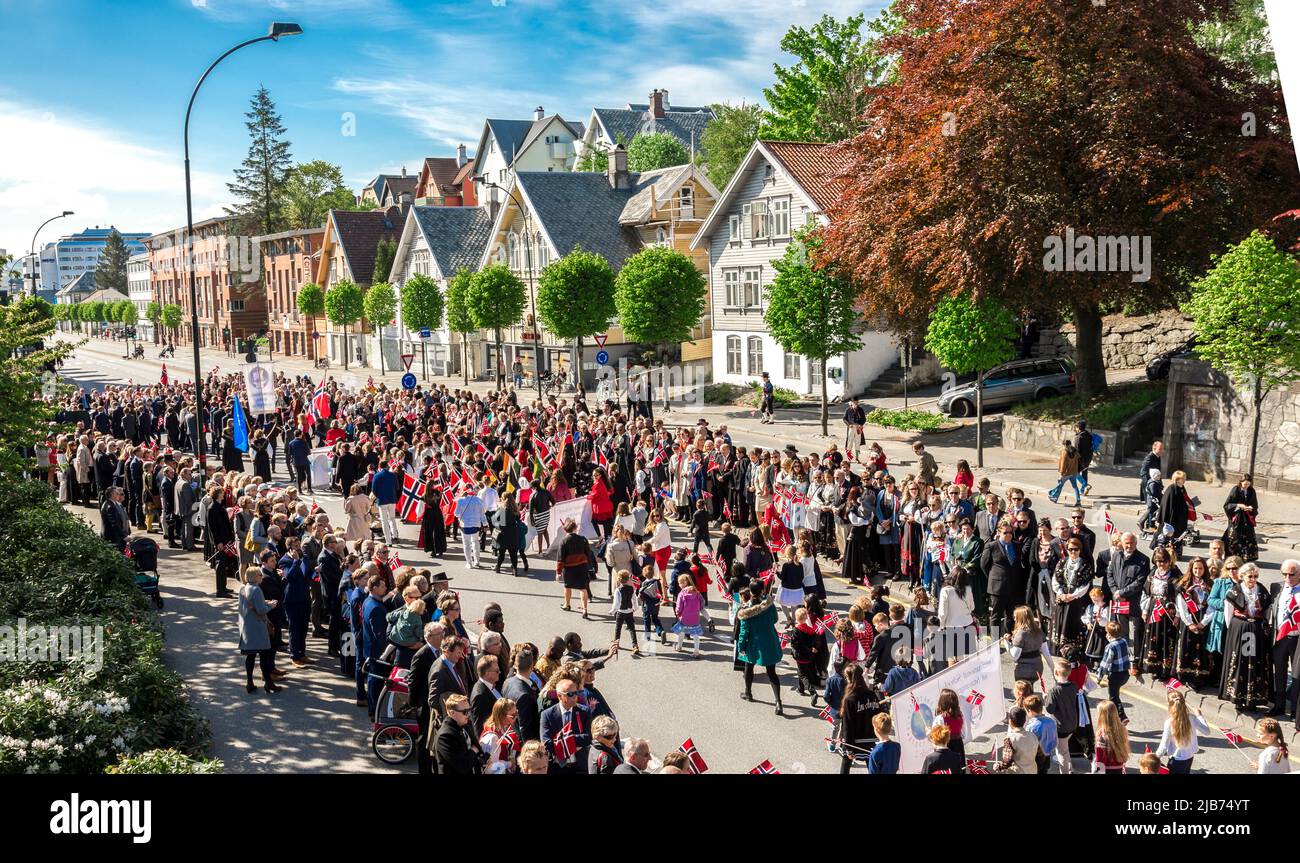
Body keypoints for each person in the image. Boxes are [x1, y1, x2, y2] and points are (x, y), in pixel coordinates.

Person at [1219, 562, 1273, 710]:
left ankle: (1253, 699)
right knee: (1241, 661)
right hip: (1241, 629)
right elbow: (1228, 616)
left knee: (1255, 662)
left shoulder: (1261, 590)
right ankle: (1238, 698)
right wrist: (1237, 630)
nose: (1253, 579)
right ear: (1242, 576)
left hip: (1256, 630)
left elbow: (1267, 611)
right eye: (1250, 576)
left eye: (1255, 576)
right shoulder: (1234, 592)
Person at [737, 578, 784, 714]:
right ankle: (778, 702)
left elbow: (744, 632)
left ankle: (748, 692)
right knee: (772, 673)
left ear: (750, 592)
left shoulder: (746, 610)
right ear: (762, 590)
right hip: (769, 640)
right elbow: (775, 619)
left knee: (748, 667)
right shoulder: (768, 604)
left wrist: (741, 647)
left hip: (754, 642)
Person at [238, 567, 280, 694]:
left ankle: (249, 682)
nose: (262, 576)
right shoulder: (257, 589)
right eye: (260, 575)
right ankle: (268, 683)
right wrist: (271, 605)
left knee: (250, 657)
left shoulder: (243, 588)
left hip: (246, 628)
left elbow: (248, 605)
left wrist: (264, 602)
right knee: (264, 656)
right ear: (255, 577)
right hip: (258, 628)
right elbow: (261, 610)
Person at [1267, 559, 1300, 719]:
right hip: (1279, 636)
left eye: (1292, 574)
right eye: (1284, 574)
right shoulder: (1276, 587)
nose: (1288, 577)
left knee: (1297, 674)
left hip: (1297, 639)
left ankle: (1295, 709)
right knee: (1279, 672)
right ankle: (1279, 705)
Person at [540, 678, 592, 774]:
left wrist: (563, 741)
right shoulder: (547, 715)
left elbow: (589, 737)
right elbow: (546, 743)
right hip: (557, 767)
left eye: (576, 692)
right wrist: (574, 744)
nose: (575, 697)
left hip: (580, 765)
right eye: (570, 694)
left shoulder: (584, 712)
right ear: (559, 696)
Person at [1154, 690, 1209, 774]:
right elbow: (1206, 731)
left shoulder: (1169, 723)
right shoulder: (1192, 718)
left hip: (1177, 759)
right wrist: (1199, 715)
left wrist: (1154, 758)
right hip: (1189, 757)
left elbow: (1164, 746)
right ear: (1184, 703)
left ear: (1169, 705)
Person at [435, 693, 484, 775]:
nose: (468, 715)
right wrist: (473, 750)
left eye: (469, 710)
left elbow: (476, 748)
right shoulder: (445, 736)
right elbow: (462, 766)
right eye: (465, 712)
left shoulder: (464, 724)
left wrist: (483, 759)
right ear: (452, 713)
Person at [556, 519, 596, 618]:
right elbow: (588, 553)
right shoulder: (583, 539)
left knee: (567, 587)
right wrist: (590, 566)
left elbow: (560, 559)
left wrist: (558, 572)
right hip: (582, 567)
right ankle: (585, 609)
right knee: (583, 588)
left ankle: (567, 604)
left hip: (569, 569)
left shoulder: (563, 541)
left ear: (565, 530)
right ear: (575, 528)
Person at [1097, 620, 1131, 722]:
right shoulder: (1124, 641)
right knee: (1115, 694)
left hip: (1115, 675)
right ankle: (1116, 717)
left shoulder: (1110, 647)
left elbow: (1105, 664)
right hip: (1125, 674)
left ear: (1109, 635)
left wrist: (1099, 677)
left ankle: (1122, 717)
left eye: (1107, 632)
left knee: (1113, 697)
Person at [993, 705, 1043, 774]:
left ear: (1010, 721)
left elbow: (1007, 761)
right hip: (1032, 770)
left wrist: (998, 767)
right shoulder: (1033, 736)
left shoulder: (1009, 739)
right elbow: (1040, 756)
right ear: (1024, 720)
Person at [1222, 475, 1259, 562]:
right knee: (1235, 536)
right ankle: (1232, 557)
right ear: (1241, 482)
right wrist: (1238, 505)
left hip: (1247, 517)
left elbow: (1255, 504)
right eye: (1245, 484)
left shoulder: (1251, 490)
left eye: (1248, 484)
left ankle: (1246, 557)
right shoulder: (1235, 489)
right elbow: (1227, 505)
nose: (1246, 486)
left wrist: (1251, 508)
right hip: (1237, 517)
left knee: (1248, 536)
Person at [1092, 699, 1130, 774]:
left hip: (1107, 769)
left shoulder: (1102, 735)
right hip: (1119, 768)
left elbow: (1100, 761)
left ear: (1101, 716)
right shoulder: (1122, 729)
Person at [1047, 439, 1083, 506]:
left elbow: (1063, 464)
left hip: (1066, 473)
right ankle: (1078, 501)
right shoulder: (1075, 451)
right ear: (1070, 444)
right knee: (1075, 486)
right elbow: (1079, 457)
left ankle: (1054, 497)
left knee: (1060, 485)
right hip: (1074, 472)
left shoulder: (1065, 452)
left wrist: (1061, 474)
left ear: (1064, 445)